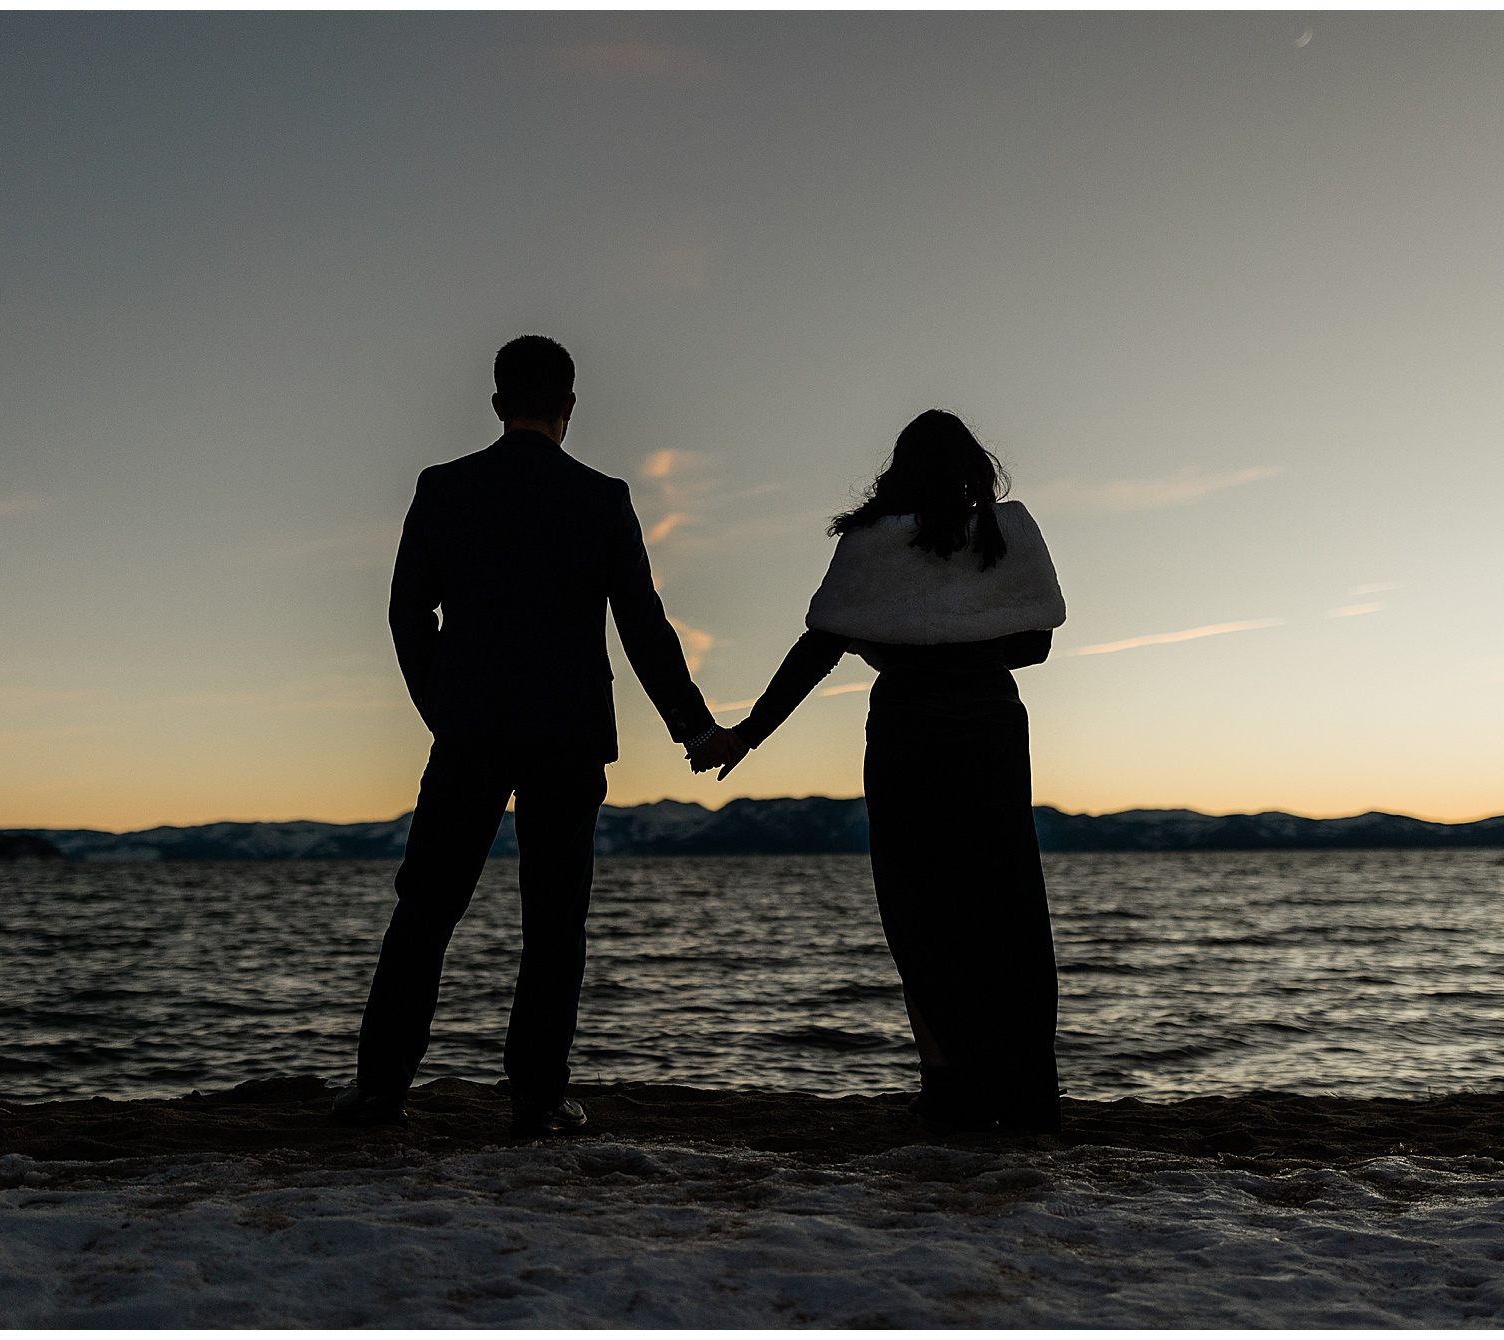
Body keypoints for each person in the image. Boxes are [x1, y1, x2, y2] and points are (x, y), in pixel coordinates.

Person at [333, 335, 745, 1135]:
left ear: (496, 402)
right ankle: (538, 1100)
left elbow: (407, 615)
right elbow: (642, 624)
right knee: (553, 920)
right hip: (568, 731)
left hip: (472, 727)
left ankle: (380, 1091)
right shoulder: (601, 496)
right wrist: (693, 727)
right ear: (570, 404)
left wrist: (442, 705)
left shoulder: (443, 488)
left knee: (425, 908)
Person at [723, 410, 1067, 1132]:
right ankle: (1025, 1091)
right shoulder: (1004, 534)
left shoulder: (872, 544)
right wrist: (963, 640)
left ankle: (945, 1086)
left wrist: (750, 732)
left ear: (898, 469)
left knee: (919, 904)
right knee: (1005, 906)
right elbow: (1034, 644)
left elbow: (819, 646)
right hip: (989, 725)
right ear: (974, 466)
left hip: (910, 724)